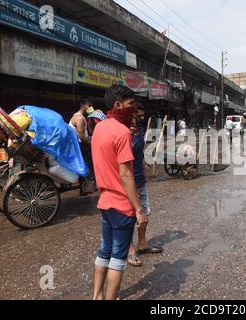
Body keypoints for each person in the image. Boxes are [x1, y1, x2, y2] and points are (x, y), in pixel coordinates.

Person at [91, 85, 148, 300]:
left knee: (104, 250)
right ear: (117, 105)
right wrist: (138, 209)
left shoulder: (99, 128)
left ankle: (97, 296)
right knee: (118, 256)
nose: (133, 110)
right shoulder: (122, 132)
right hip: (121, 205)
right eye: (130, 105)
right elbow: (125, 175)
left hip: (105, 201)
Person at [127, 103, 163, 267]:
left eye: (142, 116)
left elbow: (140, 154)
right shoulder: (123, 132)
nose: (140, 119)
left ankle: (142, 243)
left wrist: (145, 171)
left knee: (144, 214)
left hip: (140, 179)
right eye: (137, 116)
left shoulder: (140, 131)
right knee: (128, 217)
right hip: (126, 181)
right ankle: (130, 250)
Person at [69, 97, 94, 195]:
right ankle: (84, 188)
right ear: (83, 105)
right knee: (85, 167)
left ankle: (84, 188)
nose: (91, 108)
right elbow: (82, 136)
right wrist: (91, 145)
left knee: (85, 166)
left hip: (79, 145)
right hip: (79, 146)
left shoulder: (81, 116)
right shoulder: (79, 118)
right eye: (89, 105)